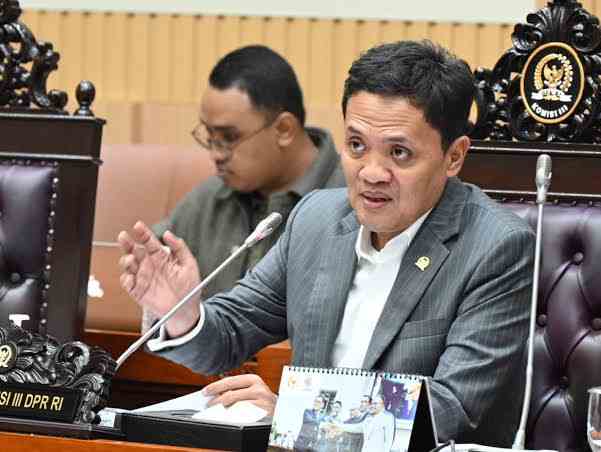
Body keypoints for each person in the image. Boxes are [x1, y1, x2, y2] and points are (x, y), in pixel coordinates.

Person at [118, 40, 534, 445]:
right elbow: (227, 335)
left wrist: (296, 417)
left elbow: (447, 409)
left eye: (399, 153)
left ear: (454, 157)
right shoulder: (316, 219)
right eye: (356, 145)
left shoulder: (496, 248)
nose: (371, 172)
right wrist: (183, 314)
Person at [141, 44, 344, 331]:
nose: (216, 154)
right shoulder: (207, 201)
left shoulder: (351, 200)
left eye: (228, 137)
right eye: (209, 135)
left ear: (284, 129)